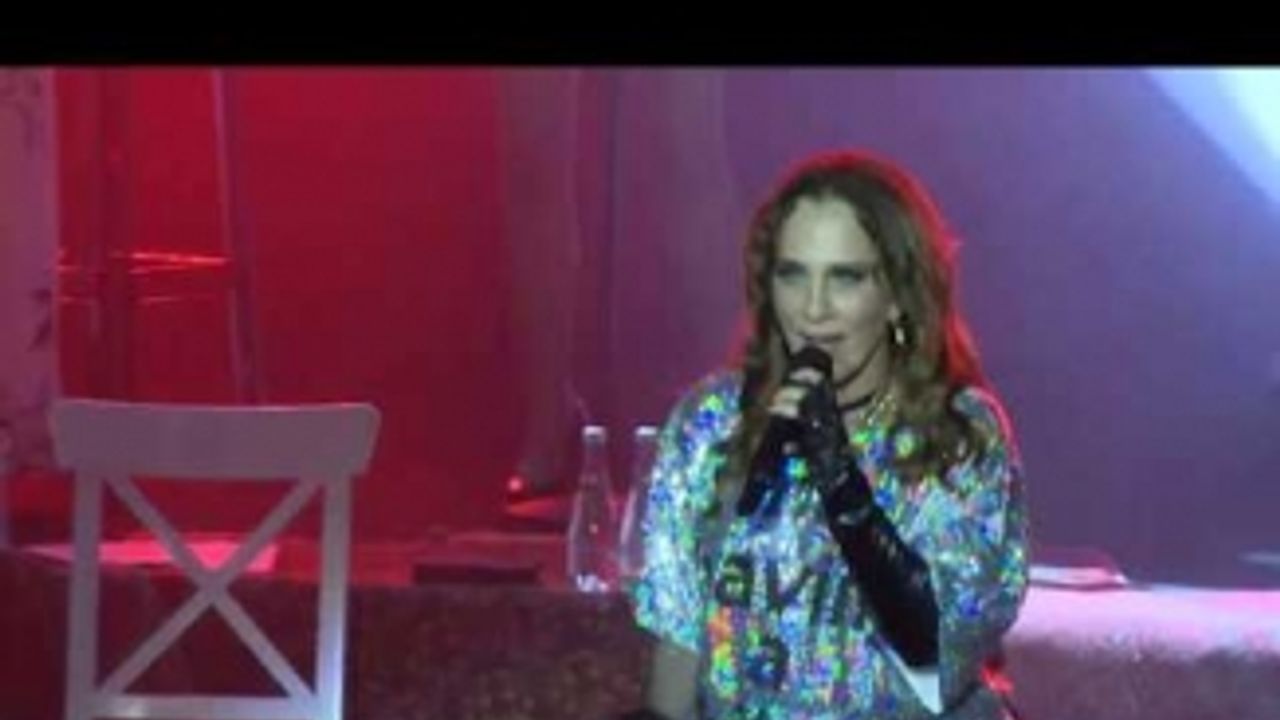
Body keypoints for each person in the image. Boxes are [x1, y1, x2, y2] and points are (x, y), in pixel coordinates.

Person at [621, 149, 1030, 719]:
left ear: (897, 295)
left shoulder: (958, 438)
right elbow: (677, 659)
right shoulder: (711, 424)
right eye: (793, 274)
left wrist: (842, 484)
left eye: (845, 278)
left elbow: (938, 662)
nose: (813, 310)